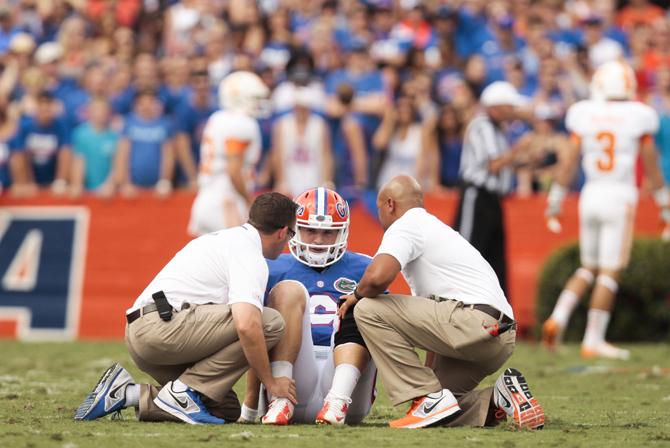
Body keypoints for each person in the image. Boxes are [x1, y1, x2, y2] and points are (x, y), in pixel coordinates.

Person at [338, 175, 545, 430]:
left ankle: (430, 399)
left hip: (470, 321)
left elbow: (377, 278)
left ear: (389, 204)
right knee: (441, 413)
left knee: (368, 308)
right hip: (498, 337)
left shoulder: (407, 224)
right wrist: (429, 391)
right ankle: (499, 397)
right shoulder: (436, 229)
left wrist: (356, 296)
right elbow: (432, 324)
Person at [74, 192, 298, 425]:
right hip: (160, 330)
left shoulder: (224, 239)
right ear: (282, 232)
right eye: (290, 234)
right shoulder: (249, 253)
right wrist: (271, 382)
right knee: (269, 322)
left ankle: (127, 393)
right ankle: (181, 392)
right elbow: (247, 325)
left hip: (145, 332)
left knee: (223, 408)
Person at [542, 61, 670, 360]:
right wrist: (665, 204)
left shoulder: (586, 113)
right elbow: (651, 165)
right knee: (610, 271)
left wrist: (556, 200)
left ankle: (558, 319)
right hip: (619, 195)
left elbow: (570, 160)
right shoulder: (639, 116)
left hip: (591, 193)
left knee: (588, 267)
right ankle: (594, 338)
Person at [239, 187, 376, 425]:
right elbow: (253, 334)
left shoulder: (365, 268)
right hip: (291, 381)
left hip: (348, 387)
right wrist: (251, 403)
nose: (318, 240)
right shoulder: (271, 266)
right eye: (310, 230)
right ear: (294, 229)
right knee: (288, 291)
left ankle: (337, 400)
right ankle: (281, 402)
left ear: (342, 232)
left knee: (365, 307)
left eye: (327, 232)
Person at [454, 81, 527, 294]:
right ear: (496, 107)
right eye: (509, 106)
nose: (513, 111)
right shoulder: (482, 126)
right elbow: (494, 164)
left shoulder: (496, 129)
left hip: (492, 199)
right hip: (477, 197)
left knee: (494, 258)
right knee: (468, 251)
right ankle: (459, 302)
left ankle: (495, 313)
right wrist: (520, 148)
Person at [187, 70, 268, 236]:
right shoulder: (242, 123)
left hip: (207, 197)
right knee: (238, 257)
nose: (258, 104)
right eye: (254, 99)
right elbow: (234, 169)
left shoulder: (218, 118)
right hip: (226, 200)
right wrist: (248, 200)